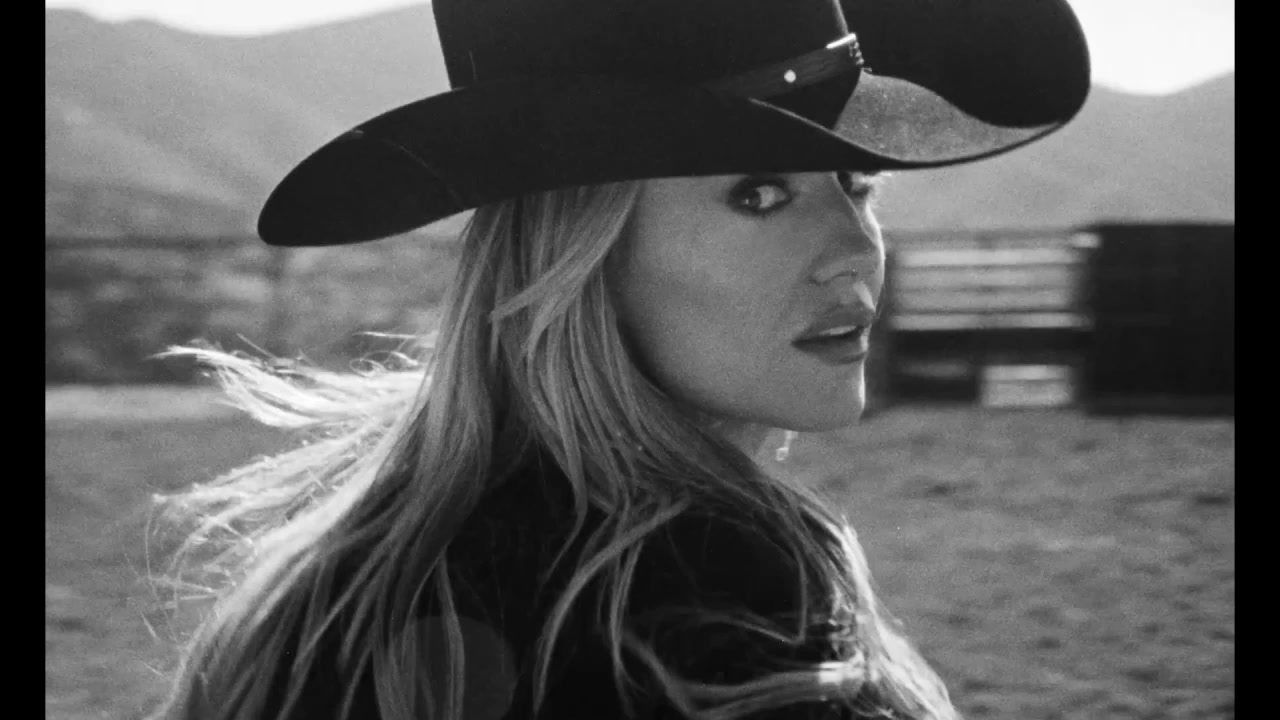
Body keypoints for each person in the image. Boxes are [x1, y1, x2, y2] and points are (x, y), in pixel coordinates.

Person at [151, 0, 1089, 718]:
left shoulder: (351, 573)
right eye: (759, 195)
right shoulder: (710, 594)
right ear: (579, 255)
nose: (854, 250)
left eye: (855, 182)